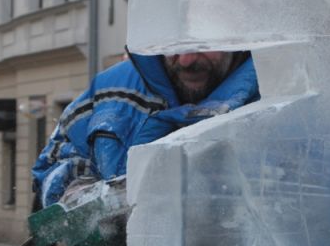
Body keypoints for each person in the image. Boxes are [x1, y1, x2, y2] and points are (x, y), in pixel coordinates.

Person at [32, 50, 259, 206]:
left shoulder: (276, 90)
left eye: (203, 45)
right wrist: (75, 190)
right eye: (173, 45)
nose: (186, 60)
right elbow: (53, 162)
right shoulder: (108, 89)